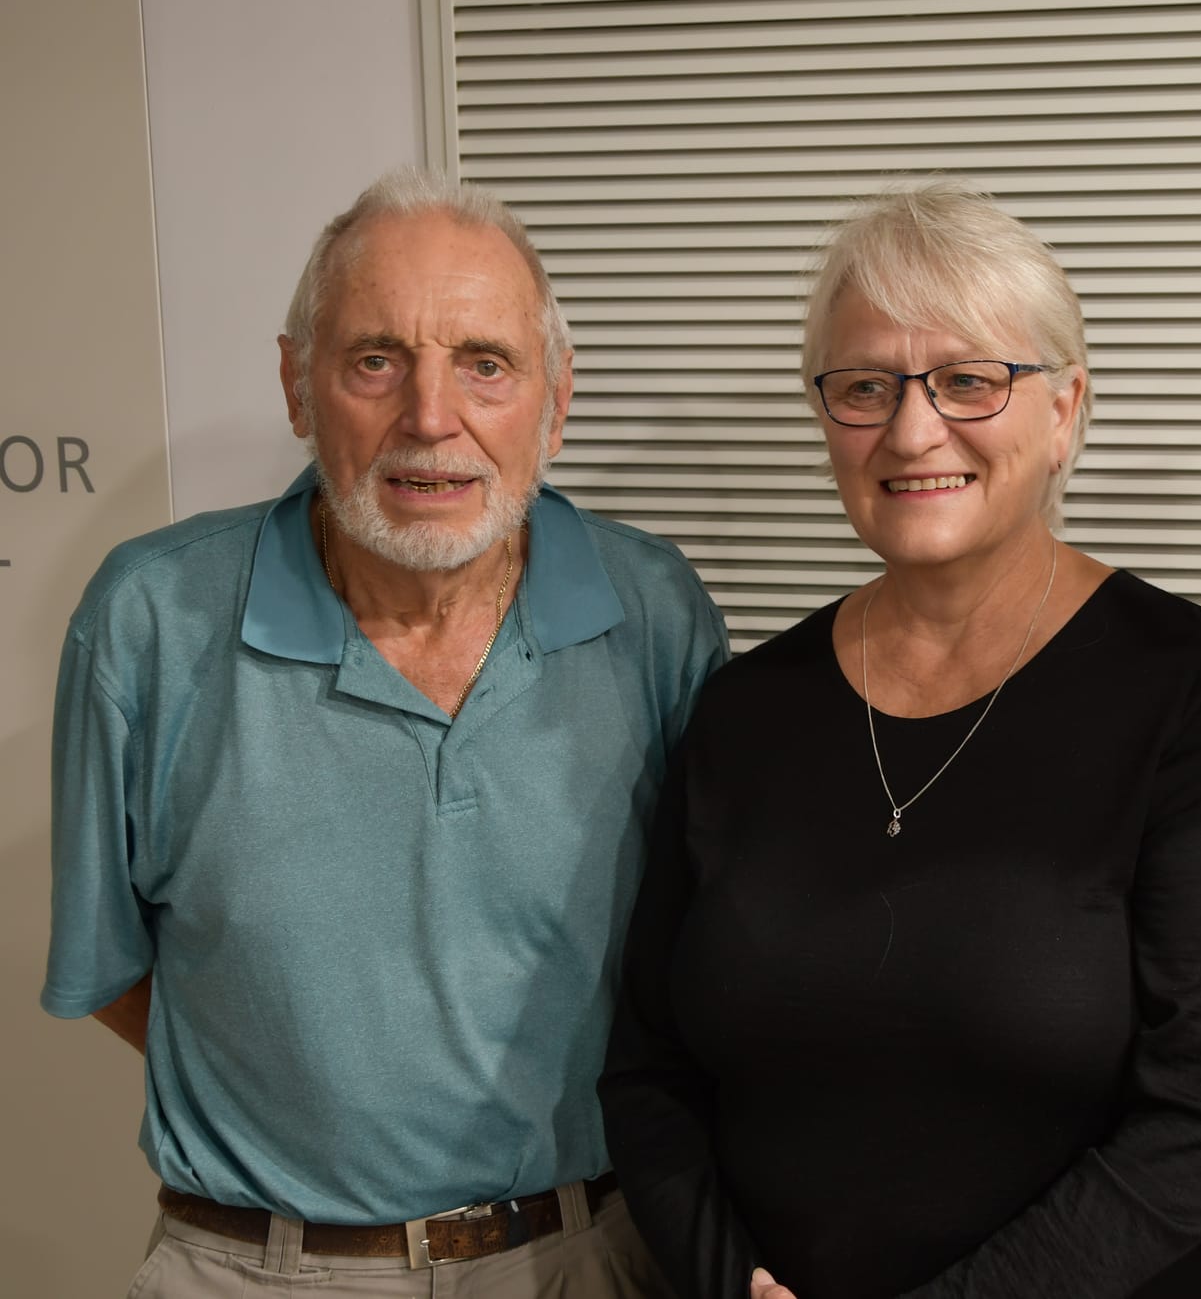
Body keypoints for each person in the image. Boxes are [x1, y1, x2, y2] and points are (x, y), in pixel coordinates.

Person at [599, 181, 1201, 1299]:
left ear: (1065, 408)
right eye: (864, 386)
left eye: (970, 380)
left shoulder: (1183, 689)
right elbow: (647, 1069)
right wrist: (723, 1273)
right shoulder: (744, 709)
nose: (911, 428)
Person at [41, 167, 728, 1296]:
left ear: (555, 400)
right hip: (258, 1268)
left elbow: (714, 956)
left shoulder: (653, 612)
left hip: (595, 1255)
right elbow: (119, 970)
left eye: (484, 363)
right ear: (296, 386)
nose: (428, 416)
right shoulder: (149, 620)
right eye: (375, 359)